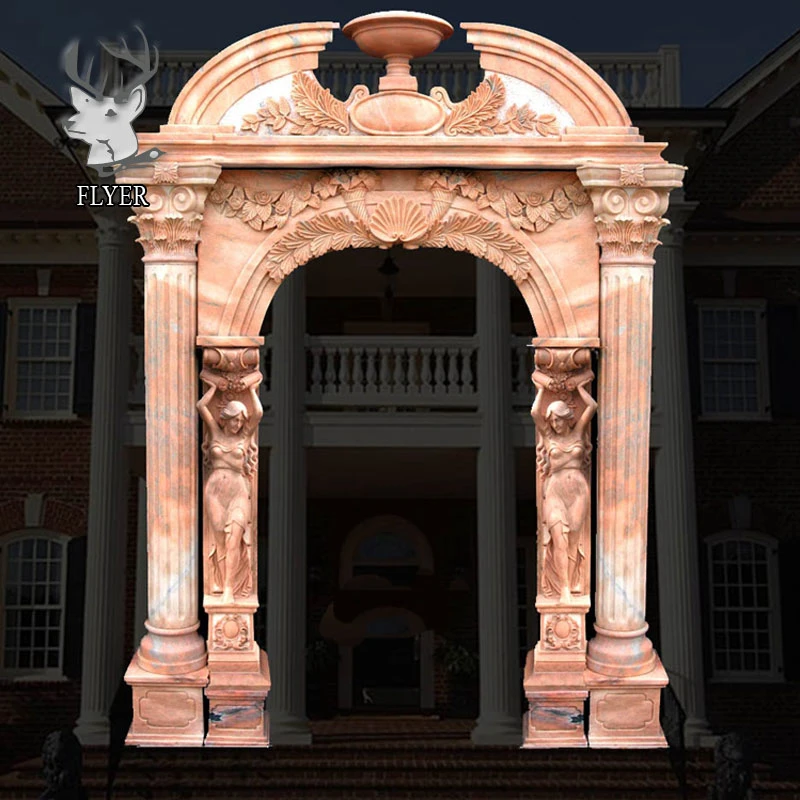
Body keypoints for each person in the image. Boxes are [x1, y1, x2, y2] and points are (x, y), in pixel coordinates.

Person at [530, 369, 596, 604]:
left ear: (568, 417)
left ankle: (573, 580)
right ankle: (565, 590)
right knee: (558, 537)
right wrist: (541, 389)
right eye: (553, 420)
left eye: (559, 418)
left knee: (573, 540)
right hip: (555, 491)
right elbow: (535, 412)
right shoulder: (549, 437)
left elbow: (591, 407)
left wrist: (579, 388)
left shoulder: (578, 432)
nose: (556, 423)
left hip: (578, 491)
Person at [197, 371, 263, 604]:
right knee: (219, 539)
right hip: (215, 492)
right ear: (225, 418)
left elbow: (259, 413)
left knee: (234, 537)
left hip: (238, 491)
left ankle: (228, 590)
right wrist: (214, 387)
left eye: (240, 420)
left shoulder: (244, 437)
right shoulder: (214, 431)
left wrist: (251, 391)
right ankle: (218, 578)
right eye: (234, 419)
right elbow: (202, 405)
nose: (237, 424)